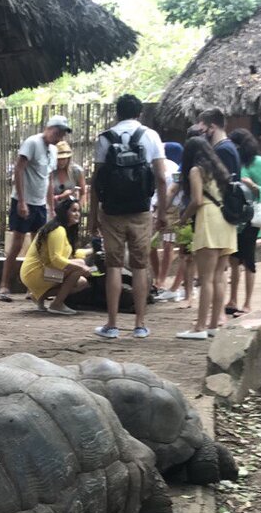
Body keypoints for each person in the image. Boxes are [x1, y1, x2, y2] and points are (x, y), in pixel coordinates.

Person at [88, 93, 167, 340]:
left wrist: (92, 217)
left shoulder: (104, 139)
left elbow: (96, 182)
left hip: (111, 212)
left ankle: (111, 325)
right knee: (140, 265)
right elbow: (163, 178)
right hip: (141, 210)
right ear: (139, 113)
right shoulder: (151, 136)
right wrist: (162, 211)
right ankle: (140, 325)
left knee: (113, 266)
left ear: (117, 113)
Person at [0, 115, 71, 300]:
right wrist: (22, 202)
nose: (59, 137)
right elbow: (18, 169)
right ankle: (4, 286)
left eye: (62, 134)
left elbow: (47, 179)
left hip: (40, 204)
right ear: (49, 128)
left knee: (40, 247)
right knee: (17, 244)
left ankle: (33, 288)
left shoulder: (53, 150)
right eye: (58, 132)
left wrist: (51, 207)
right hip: (23, 201)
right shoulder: (32, 143)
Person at [175, 136, 237, 341]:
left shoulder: (196, 170)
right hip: (226, 222)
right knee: (220, 276)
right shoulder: (220, 169)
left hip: (209, 220)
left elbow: (197, 200)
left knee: (206, 277)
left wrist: (183, 218)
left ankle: (199, 326)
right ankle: (212, 325)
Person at [19, 197, 92, 315]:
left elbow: (72, 254)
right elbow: (56, 260)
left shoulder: (62, 229)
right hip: (35, 273)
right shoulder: (57, 230)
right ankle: (56, 304)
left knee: (82, 279)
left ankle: (39, 297)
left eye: (78, 211)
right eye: (73, 211)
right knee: (79, 270)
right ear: (64, 212)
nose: (77, 214)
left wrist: (91, 250)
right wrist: (81, 267)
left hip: (44, 272)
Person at [228, 129, 261, 313]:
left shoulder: (259, 163)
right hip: (234, 216)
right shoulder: (233, 161)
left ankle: (247, 303)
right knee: (233, 260)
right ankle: (232, 300)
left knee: (248, 260)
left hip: (251, 218)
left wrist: (252, 186)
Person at [150, 141, 183, 290]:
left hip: (169, 209)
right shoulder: (152, 165)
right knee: (154, 244)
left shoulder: (173, 168)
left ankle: (161, 280)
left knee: (166, 244)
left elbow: (174, 190)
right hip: (157, 208)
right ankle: (158, 278)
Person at [199, 108, 241, 180]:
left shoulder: (223, 150)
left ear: (212, 127)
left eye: (203, 131)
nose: (202, 135)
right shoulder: (228, 146)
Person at [52, 140, 87, 207]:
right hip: (53, 210)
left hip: (70, 211)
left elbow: (83, 194)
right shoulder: (50, 172)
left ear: (69, 158)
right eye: (59, 159)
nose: (61, 162)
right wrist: (60, 197)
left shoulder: (77, 171)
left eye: (64, 159)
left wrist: (78, 207)